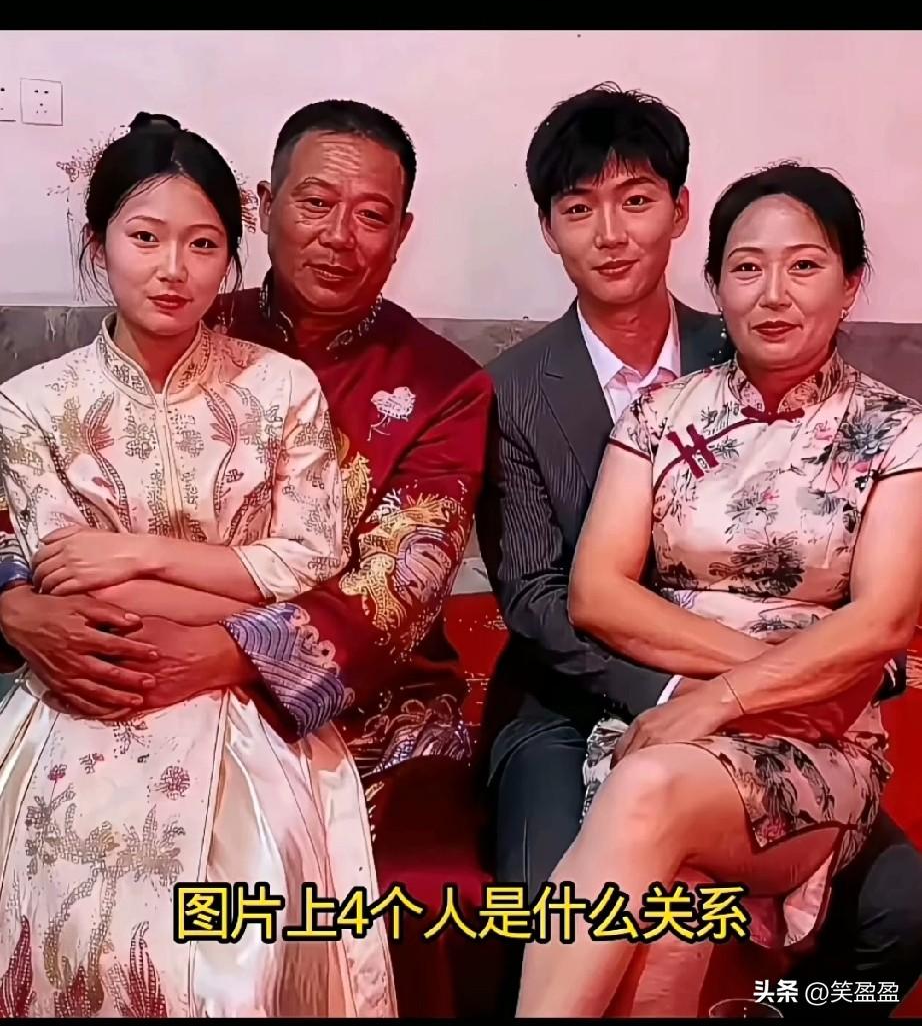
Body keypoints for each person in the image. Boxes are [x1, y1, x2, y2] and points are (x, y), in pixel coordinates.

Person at [0, 100, 494, 1017]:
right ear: (264, 207)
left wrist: (227, 655)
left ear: (402, 232)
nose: (340, 236)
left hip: (363, 701)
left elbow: (395, 588)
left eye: (372, 214)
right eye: (315, 202)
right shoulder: (177, 307)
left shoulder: (440, 383)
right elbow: (35, 523)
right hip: (116, 667)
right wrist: (13, 606)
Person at [478, 85, 922, 1014]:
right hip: (582, 696)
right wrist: (738, 681)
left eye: (637, 200)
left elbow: (884, 619)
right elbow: (548, 596)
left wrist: (752, 692)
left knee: (901, 906)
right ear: (549, 228)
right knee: (565, 896)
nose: (612, 234)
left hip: (808, 717)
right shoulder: (525, 390)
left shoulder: (786, 359)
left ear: (680, 214)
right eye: (579, 208)